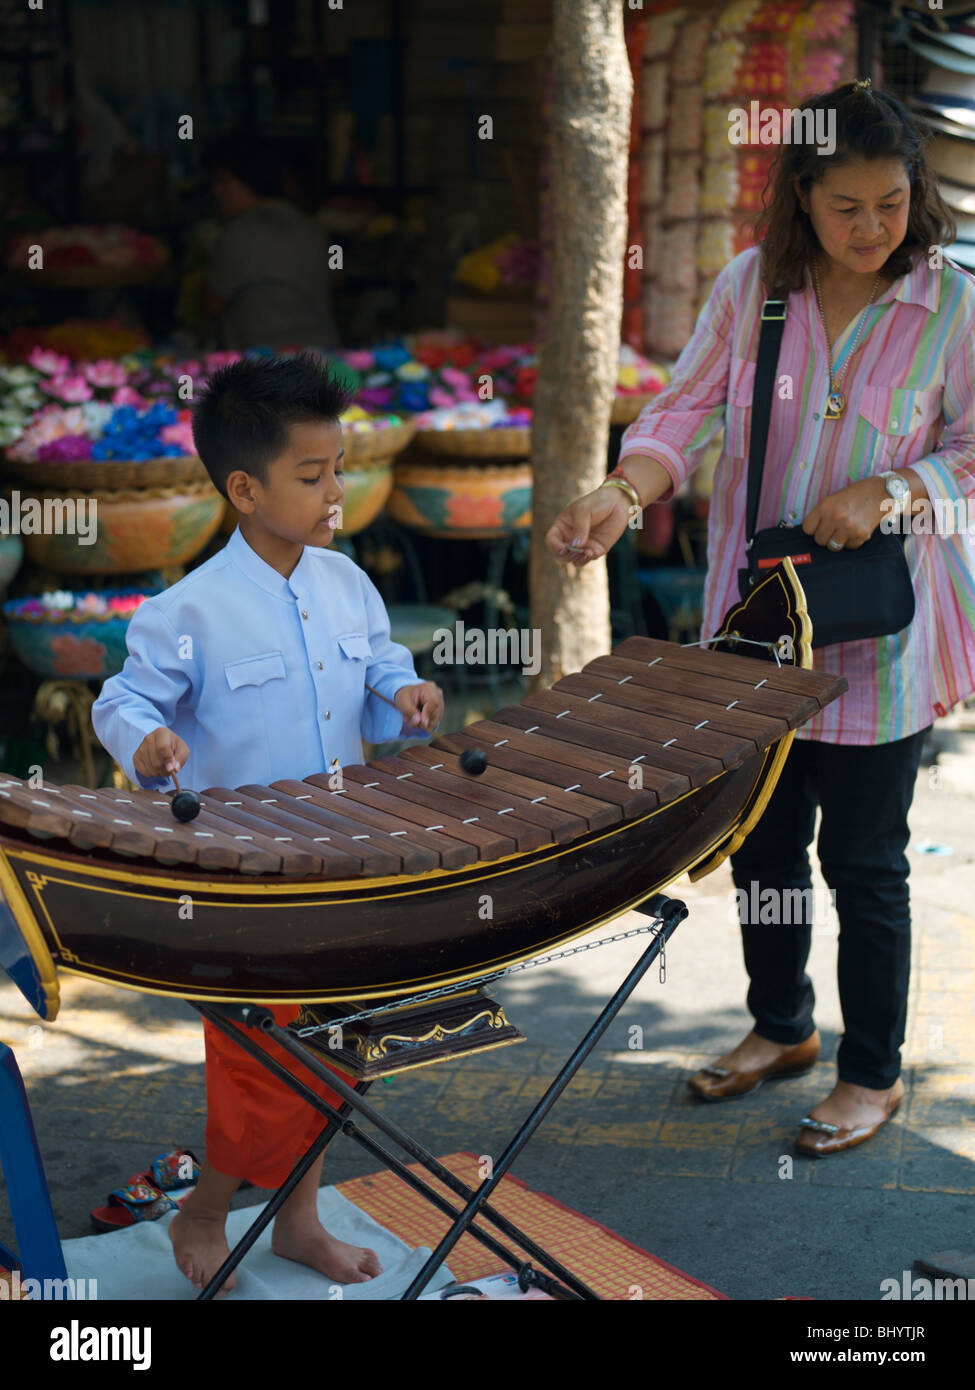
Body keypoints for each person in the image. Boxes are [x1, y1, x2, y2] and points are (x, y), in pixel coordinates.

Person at [546, 81, 975, 1156]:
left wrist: (897, 487)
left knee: (867, 867)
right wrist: (622, 492)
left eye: (889, 202)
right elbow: (683, 411)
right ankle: (780, 1027)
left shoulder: (954, 306)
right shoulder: (755, 290)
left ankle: (870, 1071)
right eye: (847, 206)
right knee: (764, 847)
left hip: (880, 639)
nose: (872, 227)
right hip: (755, 632)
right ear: (801, 196)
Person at [92, 353, 444, 1291]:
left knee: (338, 1045)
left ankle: (296, 1221)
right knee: (262, 1067)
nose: (336, 491)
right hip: (239, 878)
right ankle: (204, 1211)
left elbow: (374, 665)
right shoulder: (186, 608)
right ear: (244, 488)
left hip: (345, 852)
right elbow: (119, 701)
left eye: (340, 468)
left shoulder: (345, 583)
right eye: (312, 475)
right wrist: (152, 742)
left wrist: (402, 691)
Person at [199, 136, 341, 351]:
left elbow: (211, 305)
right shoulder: (312, 226)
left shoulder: (240, 232)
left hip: (267, 364)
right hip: (326, 357)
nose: (216, 192)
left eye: (222, 181)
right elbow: (337, 280)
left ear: (249, 179)